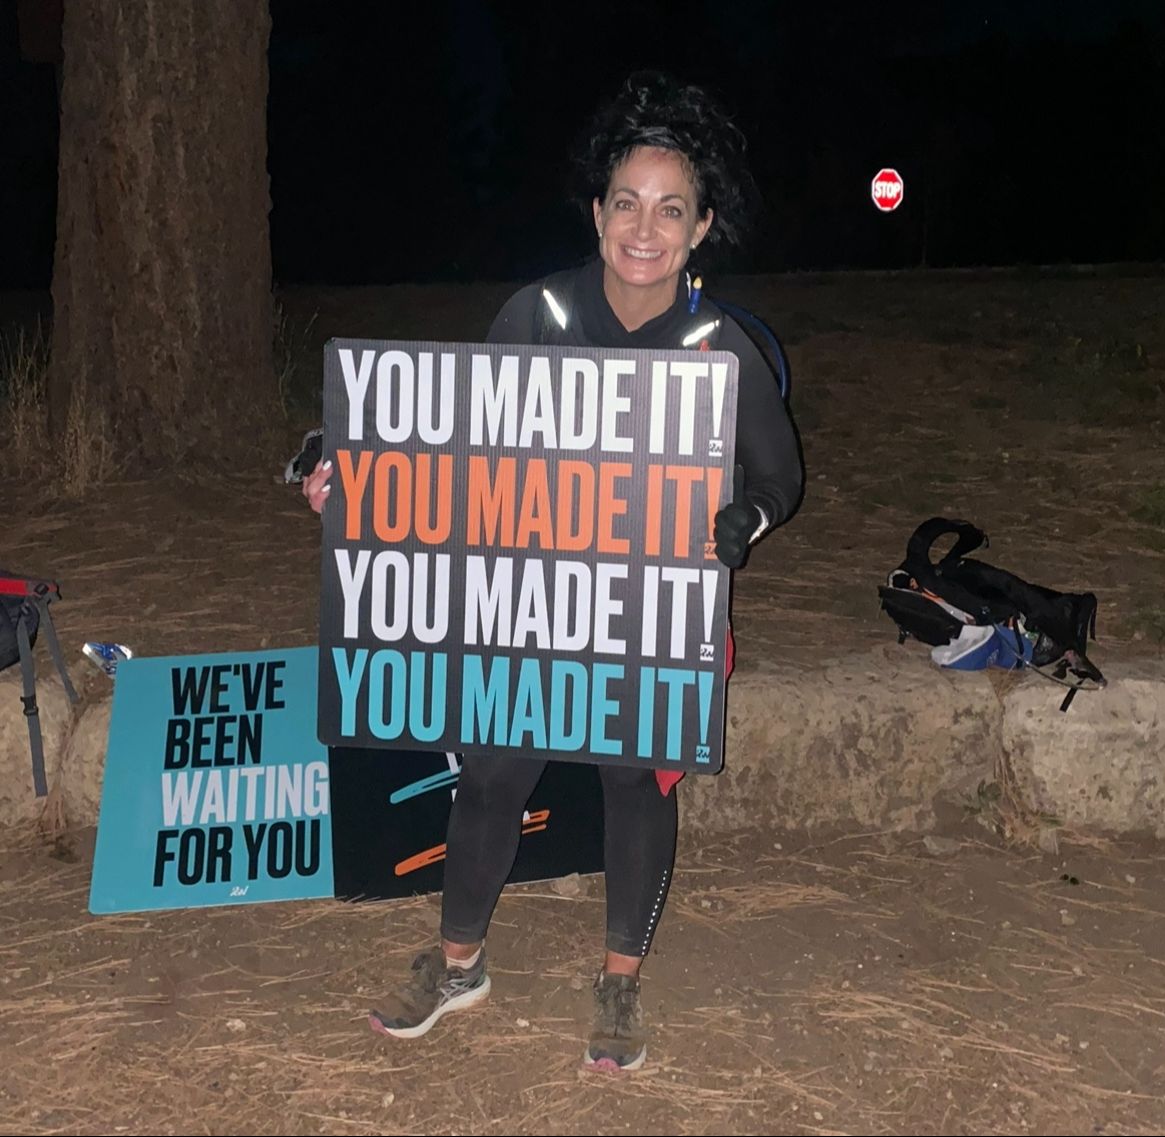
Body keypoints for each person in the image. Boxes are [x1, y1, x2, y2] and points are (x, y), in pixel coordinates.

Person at [303, 70, 803, 1072]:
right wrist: (351, 481)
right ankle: (458, 965)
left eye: (671, 209)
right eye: (627, 203)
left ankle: (619, 981)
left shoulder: (723, 348)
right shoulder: (537, 315)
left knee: (636, 773)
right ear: (597, 212)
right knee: (492, 769)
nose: (645, 229)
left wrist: (743, 519)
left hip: (653, 605)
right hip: (535, 598)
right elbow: (456, 450)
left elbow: (781, 478)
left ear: (702, 227)